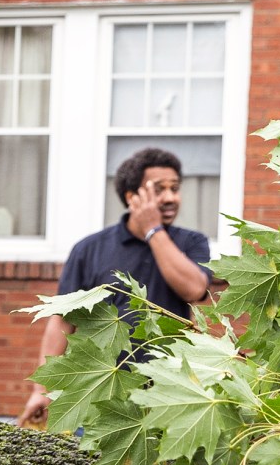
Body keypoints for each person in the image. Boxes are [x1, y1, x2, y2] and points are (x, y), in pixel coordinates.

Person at [17, 147, 215, 428]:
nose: (171, 197)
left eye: (175, 188)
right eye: (159, 189)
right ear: (132, 197)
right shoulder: (89, 249)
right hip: (101, 394)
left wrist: (153, 232)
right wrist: (41, 390)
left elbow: (194, 290)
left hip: (169, 392)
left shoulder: (192, 243)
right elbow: (62, 321)